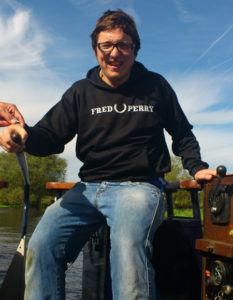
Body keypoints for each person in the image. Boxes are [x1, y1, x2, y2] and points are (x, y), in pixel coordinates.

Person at [0, 9, 217, 300]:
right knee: (42, 246)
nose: (114, 52)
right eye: (107, 45)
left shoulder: (156, 86)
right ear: (96, 50)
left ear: (134, 49)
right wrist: (22, 134)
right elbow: (50, 137)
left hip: (139, 187)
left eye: (123, 45)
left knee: (128, 253)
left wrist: (197, 167)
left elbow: (182, 133)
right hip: (88, 188)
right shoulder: (80, 92)